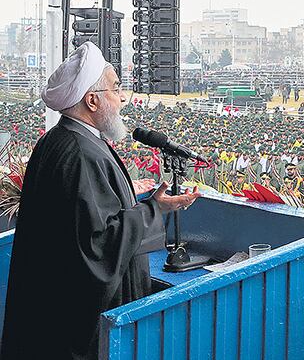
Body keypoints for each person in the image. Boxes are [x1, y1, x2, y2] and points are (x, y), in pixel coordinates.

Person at [1, 42, 199, 359]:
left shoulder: (64, 139)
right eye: (115, 89)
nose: (121, 99)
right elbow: (97, 246)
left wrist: (127, 194)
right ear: (92, 100)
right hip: (76, 330)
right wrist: (156, 208)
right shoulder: (80, 153)